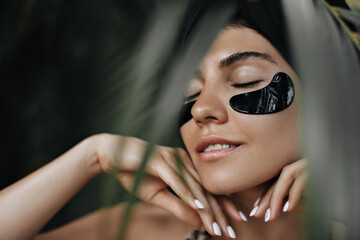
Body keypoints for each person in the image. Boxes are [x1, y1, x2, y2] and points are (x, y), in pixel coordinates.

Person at [0, 1, 308, 239]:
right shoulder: (143, 230)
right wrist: (92, 156)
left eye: (245, 81)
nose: (201, 109)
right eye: (191, 91)